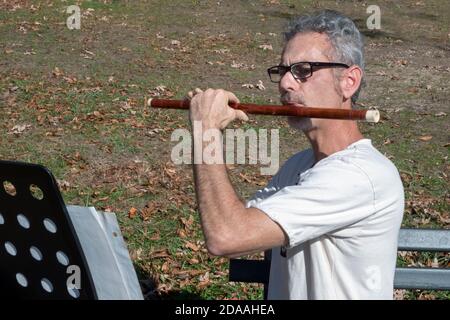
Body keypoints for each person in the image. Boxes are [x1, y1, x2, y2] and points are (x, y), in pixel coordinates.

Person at [186, 10, 404, 299]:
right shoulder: (299, 165)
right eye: (283, 71)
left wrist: (206, 134)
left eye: (303, 70)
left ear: (348, 82)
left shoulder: (361, 176)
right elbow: (240, 226)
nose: (285, 84)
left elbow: (226, 237)